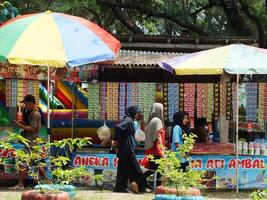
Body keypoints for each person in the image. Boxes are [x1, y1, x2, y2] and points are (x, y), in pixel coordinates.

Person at [9, 94, 48, 190]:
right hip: (32, 142)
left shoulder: (35, 113)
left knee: (22, 162)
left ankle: (20, 185)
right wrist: (21, 123)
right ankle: (49, 181)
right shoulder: (31, 112)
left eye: (26, 104)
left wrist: (20, 126)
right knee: (37, 163)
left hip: (31, 142)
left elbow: (32, 129)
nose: (25, 105)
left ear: (31, 103)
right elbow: (30, 125)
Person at [113, 105, 147, 193]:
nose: (137, 115)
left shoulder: (128, 119)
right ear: (132, 112)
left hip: (124, 150)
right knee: (137, 169)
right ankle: (142, 187)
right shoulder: (128, 120)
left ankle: (120, 188)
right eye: (136, 113)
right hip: (127, 150)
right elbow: (119, 127)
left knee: (123, 170)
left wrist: (117, 139)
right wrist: (116, 139)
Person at [142, 103, 165, 187]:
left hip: (151, 150)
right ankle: (158, 187)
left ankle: (139, 180)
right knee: (159, 170)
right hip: (157, 151)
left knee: (153, 169)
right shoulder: (157, 121)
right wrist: (162, 150)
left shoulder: (150, 121)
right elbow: (158, 137)